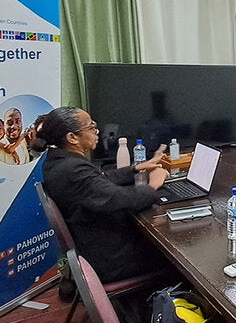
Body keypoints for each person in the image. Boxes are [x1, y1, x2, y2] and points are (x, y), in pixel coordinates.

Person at [33, 107, 170, 282]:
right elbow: (121, 198)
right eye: (91, 127)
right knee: (172, 251)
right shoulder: (73, 170)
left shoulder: (58, 161)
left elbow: (100, 178)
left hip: (96, 247)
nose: (97, 132)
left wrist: (136, 168)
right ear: (72, 138)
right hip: (113, 261)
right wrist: (153, 185)